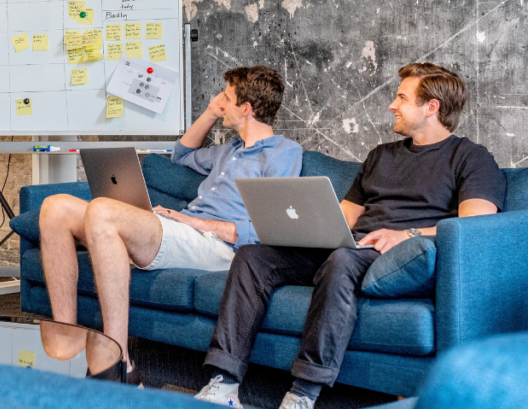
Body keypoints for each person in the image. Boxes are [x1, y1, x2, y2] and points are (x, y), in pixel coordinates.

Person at [196, 63, 506, 409]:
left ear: (431, 107)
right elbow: (343, 216)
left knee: (342, 258)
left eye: (402, 97)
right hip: (353, 245)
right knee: (254, 256)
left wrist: (406, 234)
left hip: (401, 254)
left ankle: (303, 393)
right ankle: (223, 383)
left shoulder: (471, 158)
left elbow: (475, 225)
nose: (392, 104)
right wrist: (301, 229)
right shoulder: (381, 155)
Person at [38, 65, 302, 380]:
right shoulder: (227, 151)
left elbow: (267, 230)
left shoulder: (283, 154)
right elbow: (181, 154)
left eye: (226, 98)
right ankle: (67, 330)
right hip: (186, 233)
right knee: (54, 207)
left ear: (246, 109)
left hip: (218, 247)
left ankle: (119, 360)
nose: (219, 101)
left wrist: (197, 223)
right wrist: (209, 113)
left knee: (103, 211)